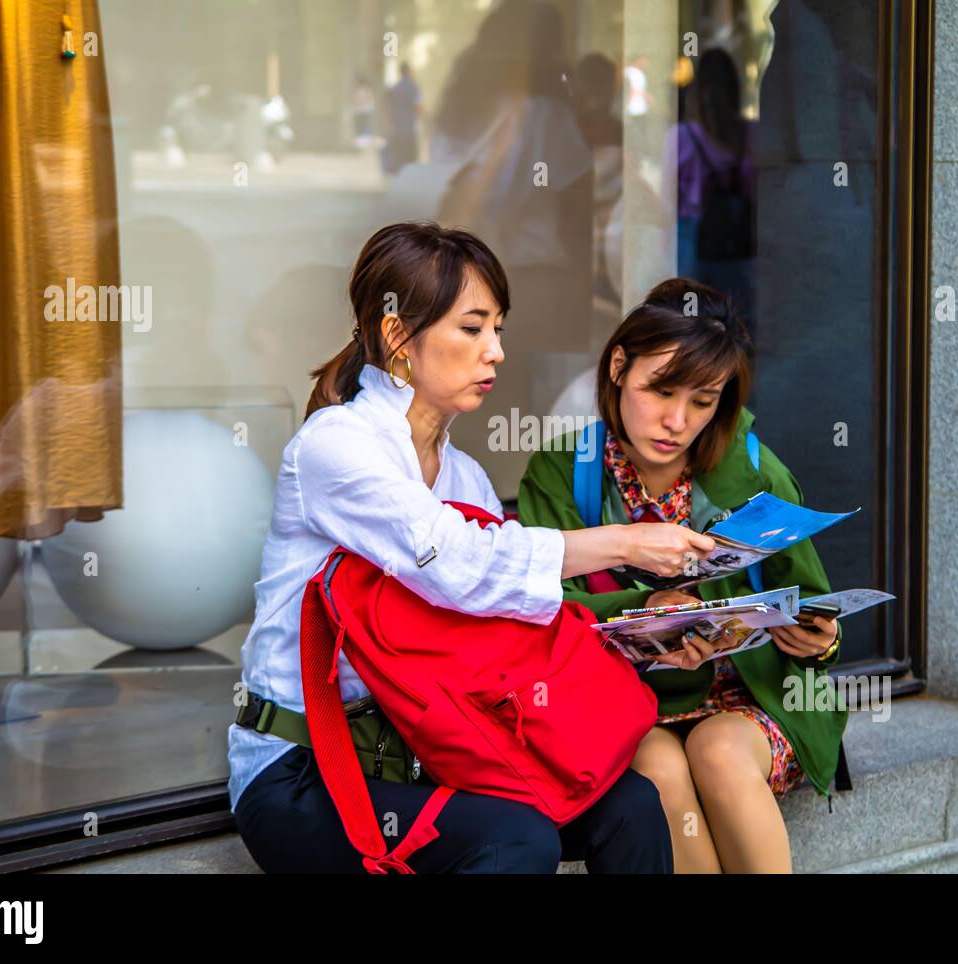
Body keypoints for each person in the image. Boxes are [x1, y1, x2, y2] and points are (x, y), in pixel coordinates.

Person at [229, 221, 713, 873]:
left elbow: (504, 629)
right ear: (400, 336)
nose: (496, 352)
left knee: (630, 803)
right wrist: (623, 542)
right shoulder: (335, 447)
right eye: (473, 327)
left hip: (438, 751)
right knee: (519, 839)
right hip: (303, 770)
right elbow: (452, 564)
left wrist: (651, 635)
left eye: (499, 329)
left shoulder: (467, 480)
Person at [516, 278, 848, 873]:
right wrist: (649, 607)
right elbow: (541, 610)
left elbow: (814, 602)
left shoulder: (754, 471)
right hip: (631, 706)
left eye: (703, 400)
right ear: (619, 365)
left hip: (755, 701)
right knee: (657, 770)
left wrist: (820, 641)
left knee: (718, 751)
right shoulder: (562, 473)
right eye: (661, 390)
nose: (676, 420)